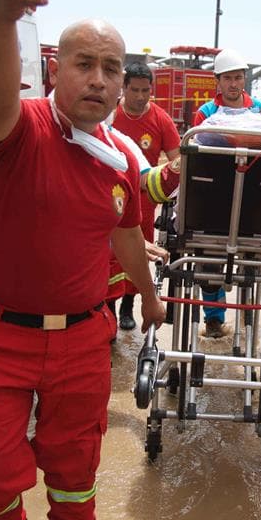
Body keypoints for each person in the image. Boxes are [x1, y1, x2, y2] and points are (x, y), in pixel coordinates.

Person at [0, 0, 165, 520]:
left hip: (83, 341)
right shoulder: (14, 130)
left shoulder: (119, 156)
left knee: (74, 477)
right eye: (84, 64)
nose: (99, 79)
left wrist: (147, 294)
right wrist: (0, 13)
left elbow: (124, 235)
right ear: (54, 68)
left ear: (124, 84)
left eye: (111, 69)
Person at [191, 47, 261, 337]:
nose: (234, 84)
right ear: (217, 82)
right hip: (215, 192)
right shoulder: (206, 112)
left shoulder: (257, 108)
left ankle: (247, 323)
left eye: (238, 78)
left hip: (252, 193)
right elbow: (195, 153)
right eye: (228, 79)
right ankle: (213, 318)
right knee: (210, 262)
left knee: (250, 266)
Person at [109, 62, 180, 330]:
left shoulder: (161, 119)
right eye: (135, 90)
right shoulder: (110, 115)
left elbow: (177, 161)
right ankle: (109, 311)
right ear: (124, 89)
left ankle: (129, 307)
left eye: (145, 91)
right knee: (109, 260)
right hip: (111, 198)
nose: (140, 96)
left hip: (144, 202)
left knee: (138, 256)